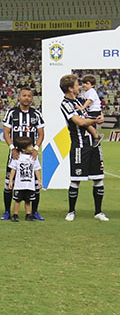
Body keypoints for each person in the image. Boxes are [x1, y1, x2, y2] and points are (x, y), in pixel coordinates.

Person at [59, 74, 108, 221]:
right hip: (79, 146)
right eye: (77, 85)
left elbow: (95, 114)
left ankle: (98, 212)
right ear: (70, 88)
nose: (79, 87)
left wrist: (101, 117)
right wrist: (93, 120)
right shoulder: (66, 104)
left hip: (94, 144)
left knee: (98, 178)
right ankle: (71, 211)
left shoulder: (82, 101)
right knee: (76, 179)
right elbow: (79, 122)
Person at [1, 87, 45, 220]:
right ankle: (7, 211)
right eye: (24, 95)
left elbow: (41, 134)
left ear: (32, 98)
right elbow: (6, 133)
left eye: (29, 96)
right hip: (15, 156)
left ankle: (34, 212)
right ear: (19, 97)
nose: (26, 98)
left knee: (34, 184)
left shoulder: (36, 114)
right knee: (9, 183)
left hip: (31, 156)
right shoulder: (11, 113)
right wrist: (12, 148)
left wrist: (36, 149)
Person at [7, 136, 42, 222]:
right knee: (17, 200)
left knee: (28, 201)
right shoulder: (17, 157)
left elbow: (36, 170)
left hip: (30, 184)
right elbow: (13, 170)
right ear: (23, 149)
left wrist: (39, 180)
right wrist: (11, 181)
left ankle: (28, 214)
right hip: (19, 184)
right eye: (30, 146)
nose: (32, 148)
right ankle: (15, 214)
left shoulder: (33, 157)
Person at [76, 75, 103, 145]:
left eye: (87, 83)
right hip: (91, 110)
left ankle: (96, 136)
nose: (84, 85)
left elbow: (89, 100)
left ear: (92, 85)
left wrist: (82, 108)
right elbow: (79, 96)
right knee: (86, 123)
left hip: (94, 110)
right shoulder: (86, 92)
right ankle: (96, 135)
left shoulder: (91, 91)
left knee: (85, 123)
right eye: (83, 83)